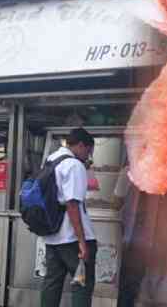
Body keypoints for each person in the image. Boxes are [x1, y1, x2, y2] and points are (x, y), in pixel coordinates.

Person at [41, 128, 97, 307]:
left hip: (53, 236)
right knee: (82, 283)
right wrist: (82, 241)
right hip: (72, 238)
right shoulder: (74, 165)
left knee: (52, 283)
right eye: (88, 151)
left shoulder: (52, 159)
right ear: (81, 145)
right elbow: (72, 205)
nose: (88, 156)